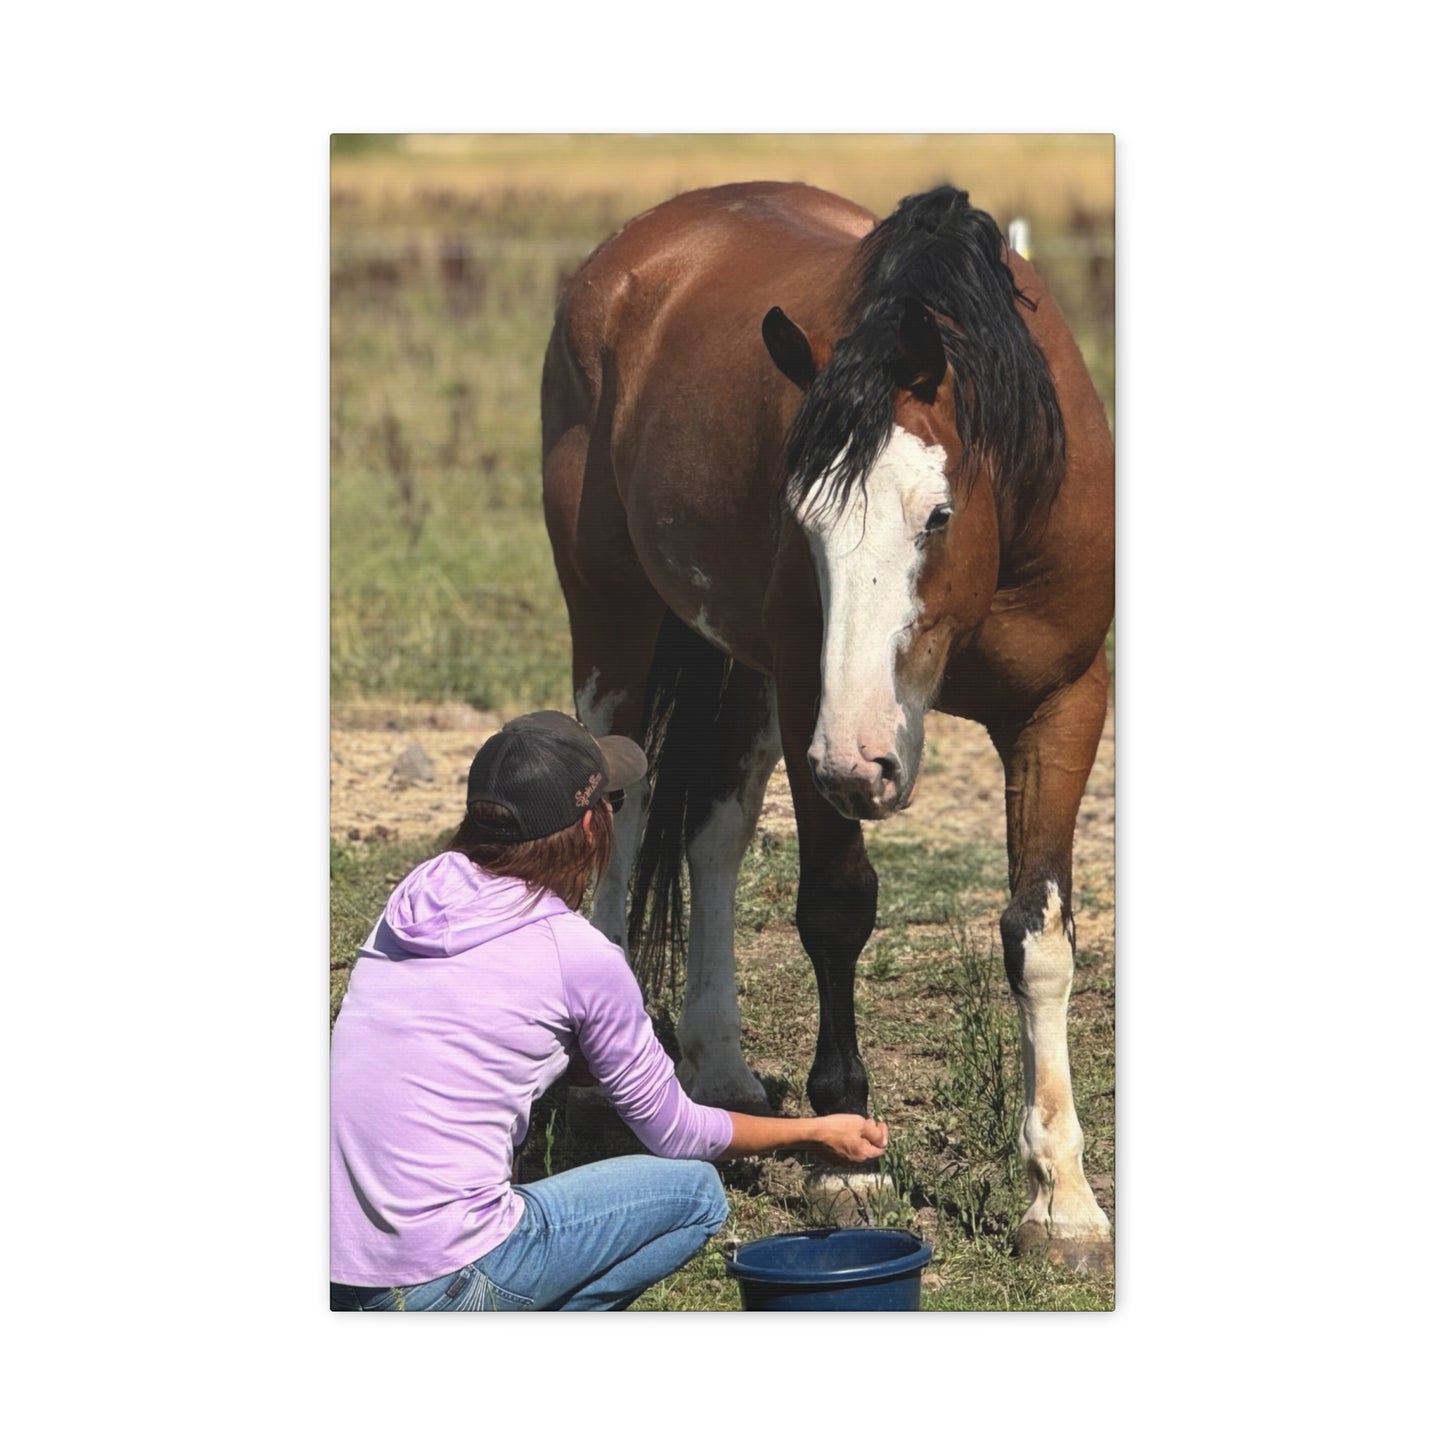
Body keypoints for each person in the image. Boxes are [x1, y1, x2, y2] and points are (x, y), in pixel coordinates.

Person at [330, 709, 889, 1311]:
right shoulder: (577, 955)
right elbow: (676, 1133)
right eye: (613, 803)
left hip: (331, 1276)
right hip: (443, 1279)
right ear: (591, 827)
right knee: (697, 1195)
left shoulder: (415, 898)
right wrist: (811, 1132)